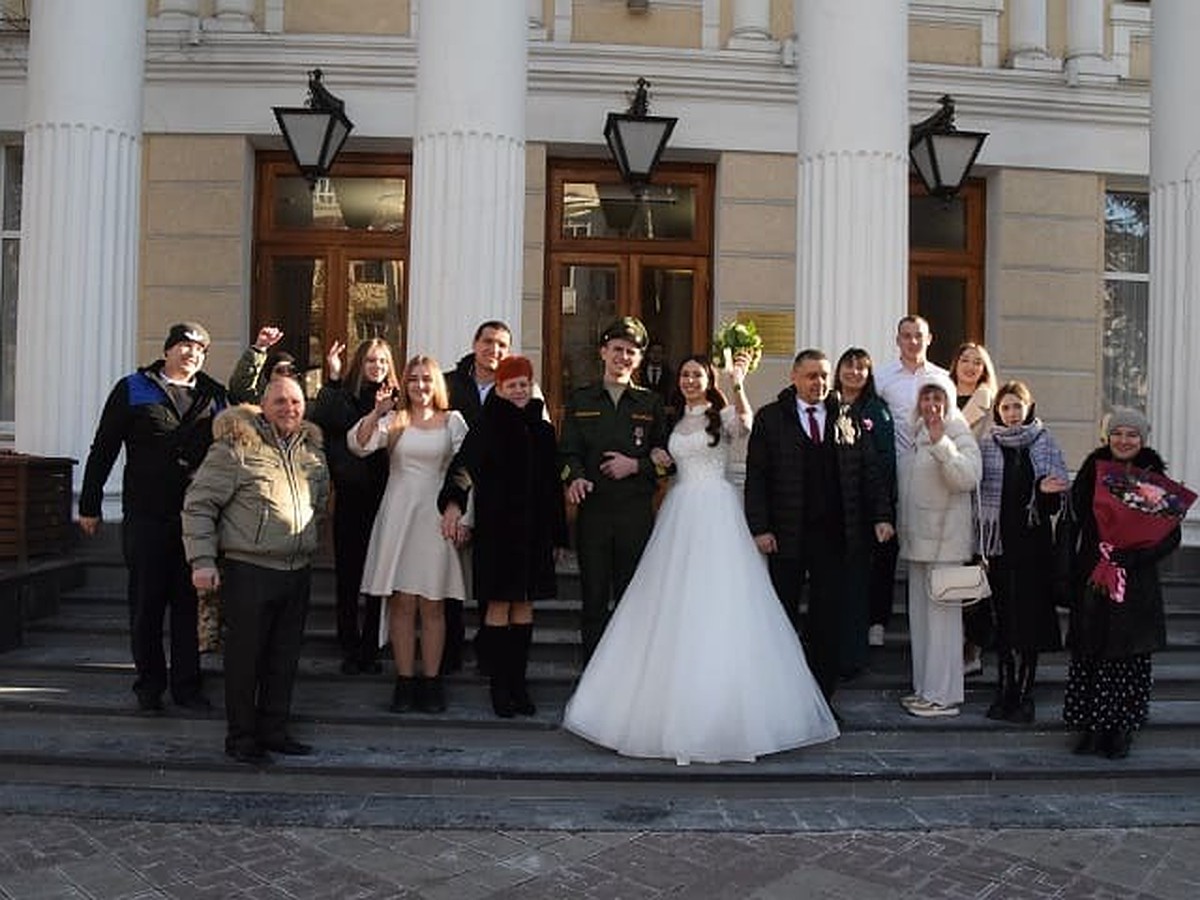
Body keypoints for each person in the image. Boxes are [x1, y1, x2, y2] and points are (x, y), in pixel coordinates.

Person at [563, 353, 839, 763]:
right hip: (678, 511)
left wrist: (737, 382)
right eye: (686, 374)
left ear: (708, 379)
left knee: (720, 602)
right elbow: (660, 460)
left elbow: (744, 424)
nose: (691, 379)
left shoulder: (721, 413)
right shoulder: (669, 418)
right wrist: (655, 461)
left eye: (698, 374)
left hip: (716, 511)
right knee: (670, 602)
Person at [78, 322, 227, 714]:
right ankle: (149, 684)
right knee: (146, 605)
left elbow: (232, 448)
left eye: (200, 349)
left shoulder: (214, 395)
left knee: (187, 605)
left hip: (195, 522)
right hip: (145, 516)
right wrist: (90, 502)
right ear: (167, 350)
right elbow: (104, 447)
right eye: (184, 345)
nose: (191, 353)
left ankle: (187, 687)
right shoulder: (133, 387)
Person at [182, 377, 329, 765]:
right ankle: (242, 738)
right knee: (246, 660)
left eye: (296, 401)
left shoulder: (311, 451)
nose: (289, 408)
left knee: (284, 658)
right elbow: (199, 506)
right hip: (249, 570)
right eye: (280, 401)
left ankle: (275, 731)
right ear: (263, 404)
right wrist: (202, 561)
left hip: (296, 570)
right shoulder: (236, 448)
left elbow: (322, 501)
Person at [745, 349, 894, 707]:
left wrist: (881, 515)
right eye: (812, 376)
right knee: (781, 616)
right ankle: (778, 699)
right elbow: (758, 478)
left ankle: (821, 701)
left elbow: (869, 472)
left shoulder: (847, 417)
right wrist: (760, 528)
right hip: (785, 537)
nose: (820, 383)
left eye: (824, 376)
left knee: (827, 623)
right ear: (794, 377)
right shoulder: (771, 419)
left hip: (835, 538)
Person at [439, 355, 567, 717]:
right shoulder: (486, 425)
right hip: (499, 533)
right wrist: (453, 503)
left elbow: (552, 486)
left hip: (535, 535)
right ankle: (499, 687)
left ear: (531, 385)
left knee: (524, 606)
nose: (518, 391)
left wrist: (558, 535)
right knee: (498, 605)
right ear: (499, 388)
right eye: (511, 386)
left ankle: (519, 684)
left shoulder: (543, 430)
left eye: (523, 384)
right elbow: (464, 468)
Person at [351, 355, 468, 714]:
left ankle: (431, 683)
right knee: (401, 603)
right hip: (399, 514)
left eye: (427, 379)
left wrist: (461, 514)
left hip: (436, 517)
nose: (420, 386)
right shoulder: (395, 420)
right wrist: (377, 411)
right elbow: (358, 444)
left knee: (433, 603)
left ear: (437, 384)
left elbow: (469, 470)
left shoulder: (453, 421)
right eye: (414, 379)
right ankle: (404, 682)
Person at [1064, 408, 1181, 759]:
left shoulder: (1153, 476)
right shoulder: (1091, 471)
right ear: (1106, 436)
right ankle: (1090, 727)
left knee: (1127, 658)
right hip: (1096, 576)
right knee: (1092, 652)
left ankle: (1121, 730)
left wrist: (1133, 557)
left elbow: (1169, 535)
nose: (1124, 440)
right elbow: (1075, 519)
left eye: (1132, 435)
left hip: (1136, 582)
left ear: (1142, 440)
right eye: (1117, 433)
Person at [559, 316, 669, 662]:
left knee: (631, 598)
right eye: (617, 350)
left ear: (639, 359)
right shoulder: (581, 399)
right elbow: (566, 452)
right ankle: (593, 674)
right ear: (603, 352)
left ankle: (627, 674)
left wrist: (636, 465)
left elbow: (670, 458)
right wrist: (573, 477)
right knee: (593, 598)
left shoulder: (651, 403)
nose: (623, 357)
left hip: (635, 514)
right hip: (594, 513)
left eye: (631, 352)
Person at [977, 380, 1069, 723]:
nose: (1012, 414)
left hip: (1034, 548)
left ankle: (1025, 691)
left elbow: (1053, 506)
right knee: (1004, 620)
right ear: (999, 412)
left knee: (1030, 620)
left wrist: (1045, 492)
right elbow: (976, 498)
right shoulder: (988, 445)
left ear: (1028, 408)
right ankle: (1005, 688)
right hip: (999, 547)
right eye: (1006, 408)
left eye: (1017, 407)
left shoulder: (1044, 444)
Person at [307, 337, 398, 676]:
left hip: (386, 498)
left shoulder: (396, 401)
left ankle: (371, 646)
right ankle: (348, 643)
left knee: (379, 576)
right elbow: (324, 420)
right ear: (360, 364)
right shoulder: (344, 396)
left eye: (383, 362)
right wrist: (331, 377)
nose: (378, 368)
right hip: (351, 498)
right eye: (372, 361)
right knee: (349, 576)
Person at [896, 372, 981, 718]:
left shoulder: (958, 433)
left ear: (947, 402)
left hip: (946, 544)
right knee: (921, 622)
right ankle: (924, 689)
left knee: (944, 625)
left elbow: (967, 478)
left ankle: (944, 695)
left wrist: (942, 444)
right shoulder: (915, 436)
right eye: (926, 399)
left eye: (938, 398)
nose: (932, 406)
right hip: (919, 542)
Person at [873, 315, 950, 648]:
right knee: (886, 545)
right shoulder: (882, 378)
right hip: (895, 469)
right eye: (906, 336)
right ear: (897, 340)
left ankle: (935, 621)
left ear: (929, 338)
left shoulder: (942, 379)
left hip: (934, 473)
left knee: (929, 545)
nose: (912, 342)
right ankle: (878, 619)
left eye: (918, 336)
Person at [832, 347, 897, 676]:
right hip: (829, 513)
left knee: (858, 586)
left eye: (861, 368)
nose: (854, 372)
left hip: (862, 513)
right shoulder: (826, 405)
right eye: (849, 366)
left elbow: (882, 465)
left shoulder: (877, 410)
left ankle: (853, 655)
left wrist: (881, 513)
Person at [948, 341, 999, 677]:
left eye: (976, 362)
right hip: (945, 495)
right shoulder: (941, 395)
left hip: (977, 495)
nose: (969, 366)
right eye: (964, 359)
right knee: (950, 573)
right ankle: (950, 646)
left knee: (974, 573)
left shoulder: (991, 402)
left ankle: (973, 648)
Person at [227, 325, 299, 404]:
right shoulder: (261, 402)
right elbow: (240, 388)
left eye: (291, 370)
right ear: (269, 376)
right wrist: (259, 347)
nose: (286, 374)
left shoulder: (305, 405)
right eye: (280, 371)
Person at [636, 339, 675, 405]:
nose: (656, 355)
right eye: (653, 352)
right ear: (648, 354)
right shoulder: (639, 372)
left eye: (659, 352)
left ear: (663, 355)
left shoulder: (669, 374)